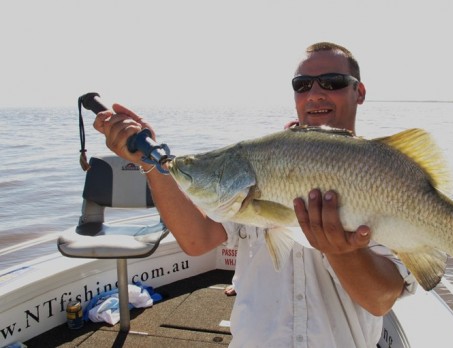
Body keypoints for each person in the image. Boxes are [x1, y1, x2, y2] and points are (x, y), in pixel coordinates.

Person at [94, 42, 414, 347]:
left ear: (358, 91)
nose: (315, 94)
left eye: (332, 82)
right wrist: (149, 165)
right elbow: (197, 239)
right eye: (302, 85)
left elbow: (380, 300)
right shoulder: (253, 165)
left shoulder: (388, 179)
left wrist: (343, 250)